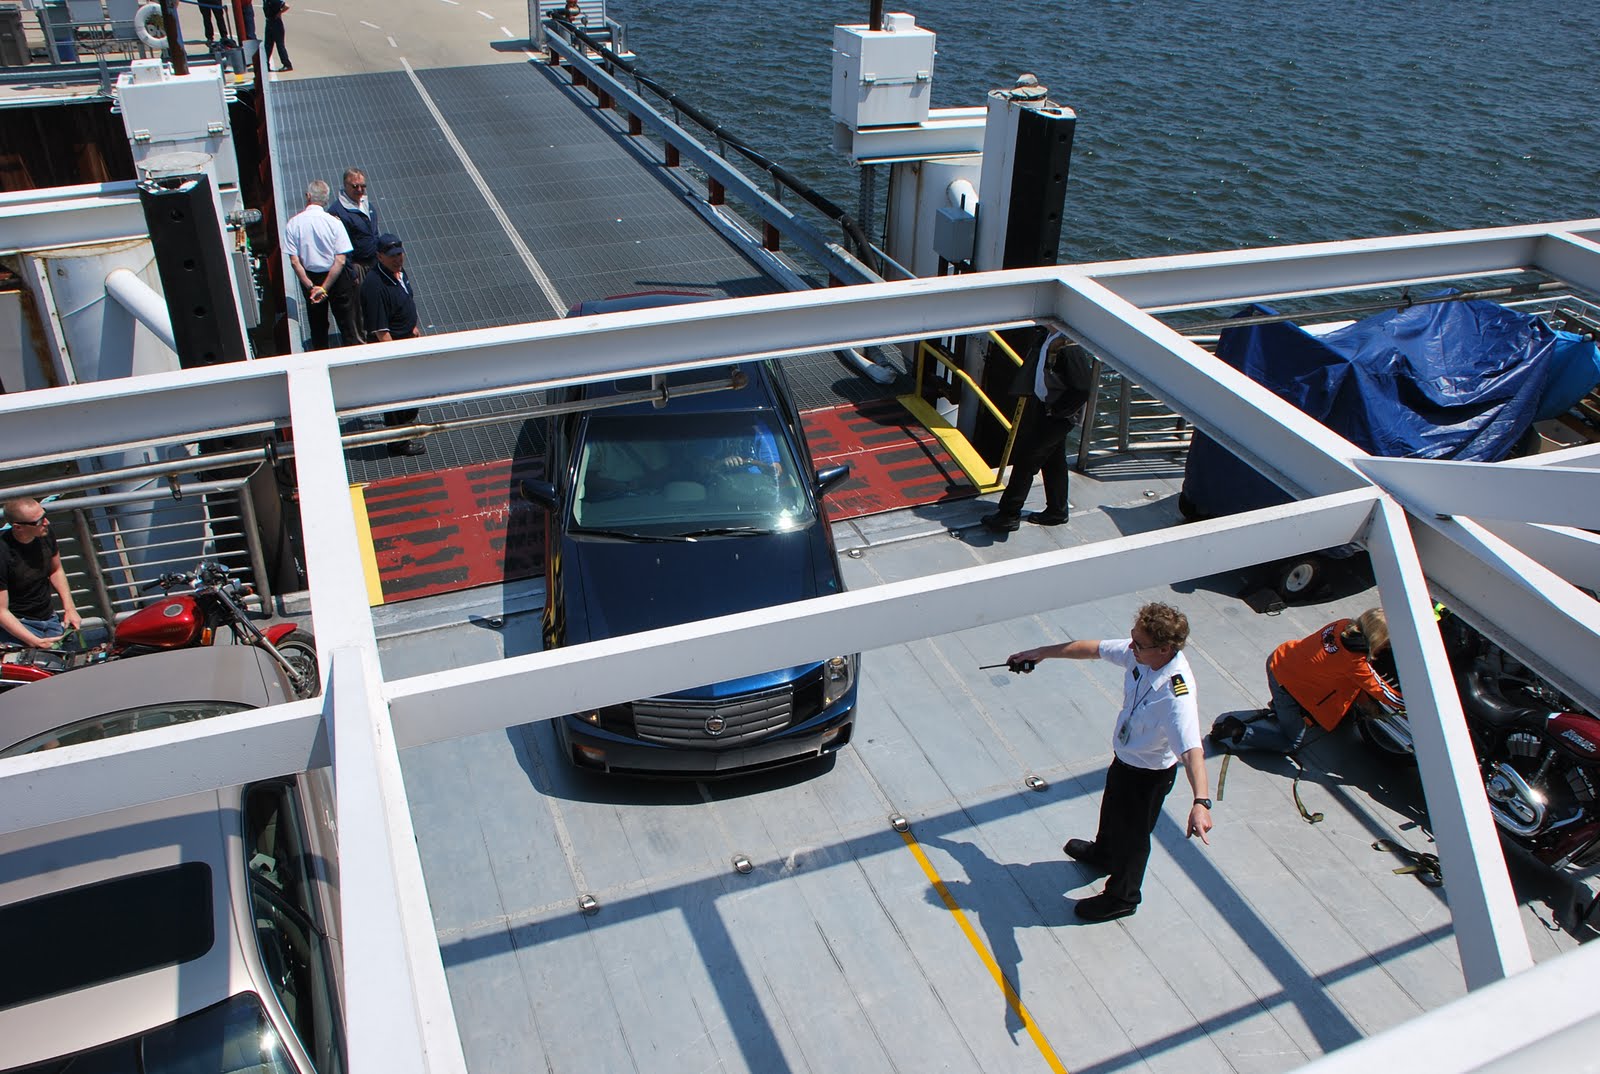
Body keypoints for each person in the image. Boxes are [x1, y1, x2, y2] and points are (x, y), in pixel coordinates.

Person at [1006, 602, 1213, 922]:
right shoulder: (1141, 652)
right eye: (1132, 637)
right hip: (1125, 760)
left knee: (1134, 837)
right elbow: (1093, 649)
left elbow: (1191, 751)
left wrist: (1201, 802)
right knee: (1112, 808)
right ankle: (1104, 854)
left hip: (1148, 776)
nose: (1131, 646)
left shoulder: (1176, 696)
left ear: (1165, 648)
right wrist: (1040, 652)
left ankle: (1123, 896)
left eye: (1139, 643)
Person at [1213, 608, 1403, 754]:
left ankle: (1281, 708)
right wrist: (1410, 704)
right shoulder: (1354, 662)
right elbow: (1384, 693)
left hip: (1281, 659)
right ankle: (1240, 731)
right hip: (1285, 683)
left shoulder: (1342, 625)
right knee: (1291, 743)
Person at [981, 330, 1094, 533]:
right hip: (1048, 409)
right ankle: (1057, 511)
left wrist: (1059, 411)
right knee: (1053, 461)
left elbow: (1082, 387)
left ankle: (1009, 514)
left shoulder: (1069, 347)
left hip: (1056, 415)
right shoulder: (1050, 337)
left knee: (1026, 461)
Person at [362, 233, 427, 456]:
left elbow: (406, 299)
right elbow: (381, 331)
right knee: (399, 396)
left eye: (400, 254)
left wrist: (413, 327)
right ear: (379, 257)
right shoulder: (375, 286)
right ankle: (398, 442)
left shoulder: (398, 273)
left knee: (411, 393)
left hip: (407, 339)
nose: (398, 259)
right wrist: (396, 359)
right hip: (394, 347)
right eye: (392, 256)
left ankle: (405, 429)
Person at [284, 179, 358, 351]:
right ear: (325, 199)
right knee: (347, 324)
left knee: (318, 327)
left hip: (310, 278)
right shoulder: (334, 222)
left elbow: (295, 262)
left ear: (308, 196)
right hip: (336, 278)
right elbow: (340, 259)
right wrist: (325, 288)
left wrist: (312, 287)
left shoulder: (293, 224)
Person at [0, 499, 81, 649]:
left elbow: (56, 570)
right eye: (39, 521)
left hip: (49, 617)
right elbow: (1, 611)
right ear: (18, 527)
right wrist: (33, 641)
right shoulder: (3, 553)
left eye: (45, 515)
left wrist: (70, 609)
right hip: (19, 625)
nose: (47, 522)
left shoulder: (44, 534)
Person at [330, 168, 377, 343]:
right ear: (345, 185)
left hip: (373, 261)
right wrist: (351, 272)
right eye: (355, 186)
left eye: (363, 186)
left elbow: (374, 232)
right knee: (357, 306)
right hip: (356, 265)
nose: (360, 190)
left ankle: (375, 332)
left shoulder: (366, 204)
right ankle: (360, 340)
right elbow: (340, 245)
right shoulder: (338, 212)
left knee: (373, 300)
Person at [262, 0, 291, 71]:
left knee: (280, 45)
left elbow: (286, 6)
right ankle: (265, 64)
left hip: (276, 23)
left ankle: (287, 64)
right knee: (267, 45)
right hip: (269, 22)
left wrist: (279, 13)